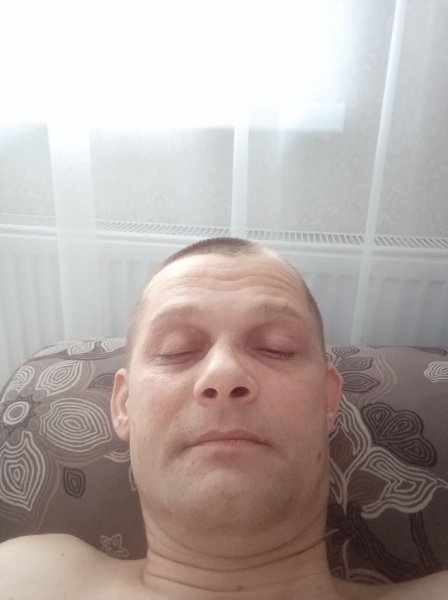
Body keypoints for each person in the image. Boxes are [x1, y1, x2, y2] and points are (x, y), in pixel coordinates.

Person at [0, 237, 447, 600]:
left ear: (328, 400)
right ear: (124, 405)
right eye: (177, 350)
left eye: (276, 348)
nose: (224, 373)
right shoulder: (25, 577)